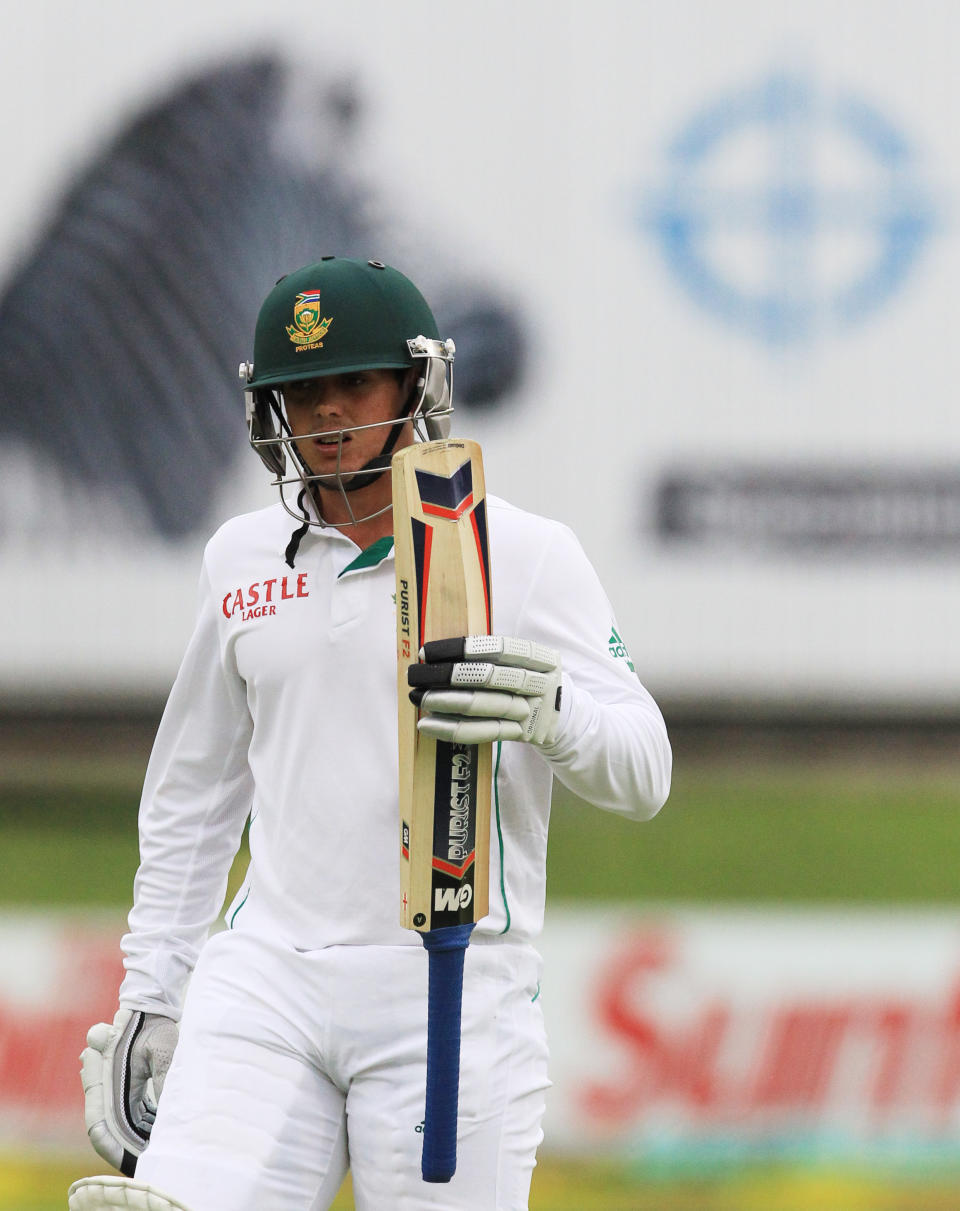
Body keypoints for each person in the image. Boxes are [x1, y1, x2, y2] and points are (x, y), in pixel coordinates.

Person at [70, 257, 671, 1211]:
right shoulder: (238, 559)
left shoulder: (521, 552)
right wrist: (153, 986)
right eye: (301, 392)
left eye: (356, 382)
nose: (328, 414)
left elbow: (646, 771)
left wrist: (550, 711)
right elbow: (193, 792)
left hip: (454, 982)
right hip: (268, 973)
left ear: (418, 385)